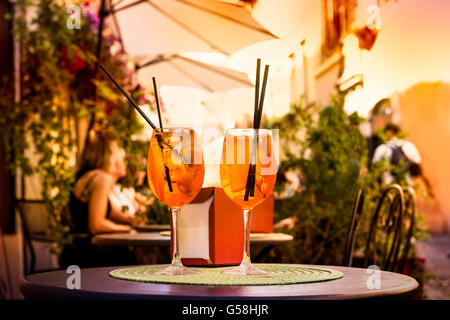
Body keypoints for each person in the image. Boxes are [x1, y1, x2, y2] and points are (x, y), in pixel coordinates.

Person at [59, 129, 139, 268]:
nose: (123, 156)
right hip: (89, 256)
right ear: (110, 155)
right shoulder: (102, 178)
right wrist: (127, 230)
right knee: (132, 264)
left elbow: (107, 212)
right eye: (119, 152)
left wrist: (130, 220)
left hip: (75, 252)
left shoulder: (90, 176)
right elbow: (96, 225)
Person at [372, 123, 434, 197]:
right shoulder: (409, 146)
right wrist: (428, 186)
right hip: (406, 188)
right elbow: (419, 169)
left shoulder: (382, 148)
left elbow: (374, 172)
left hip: (388, 189)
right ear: (398, 133)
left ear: (386, 133)